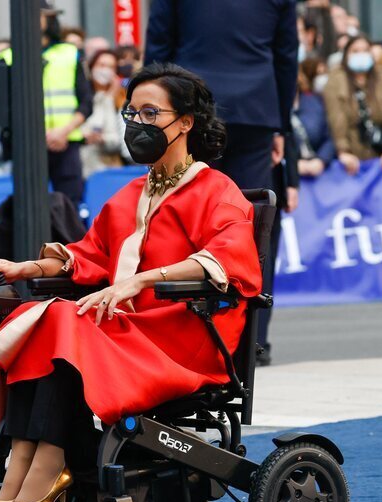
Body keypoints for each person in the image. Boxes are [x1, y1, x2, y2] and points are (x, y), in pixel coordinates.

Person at [0, 64, 261, 502]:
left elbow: (228, 261)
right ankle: (21, 467)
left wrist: (142, 279)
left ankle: (47, 466)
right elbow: (89, 256)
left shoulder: (216, 191)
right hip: (123, 331)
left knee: (62, 319)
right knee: (47, 317)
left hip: (183, 338)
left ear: (185, 122)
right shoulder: (128, 195)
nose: (137, 125)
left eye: (150, 114)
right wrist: (25, 266)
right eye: (132, 114)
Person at [144, 0, 297, 365]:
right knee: (252, 223)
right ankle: (253, 339)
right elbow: (286, 55)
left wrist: (154, 117)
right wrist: (282, 125)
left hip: (191, 109)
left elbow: (158, 51)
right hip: (256, 109)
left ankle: (191, 331)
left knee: (185, 218)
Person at [0, 1, 93, 205]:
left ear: (49, 18)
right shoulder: (7, 57)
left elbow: (86, 102)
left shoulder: (69, 53)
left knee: (69, 207)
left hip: (65, 145)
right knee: (27, 206)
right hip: (26, 146)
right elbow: (3, 110)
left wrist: (62, 132)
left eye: (39, 14)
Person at [324, 35, 382, 174]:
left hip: (381, 153)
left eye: (365, 50)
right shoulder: (336, 80)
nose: (361, 55)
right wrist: (343, 151)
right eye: (355, 51)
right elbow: (336, 117)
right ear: (346, 55)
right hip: (350, 156)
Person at [80, 49, 125, 177]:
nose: (105, 71)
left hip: (109, 170)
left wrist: (110, 97)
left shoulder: (122, 99)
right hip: (83, 166)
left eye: (111, 67)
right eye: (101, 65)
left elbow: (117, 140)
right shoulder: (83, 97)